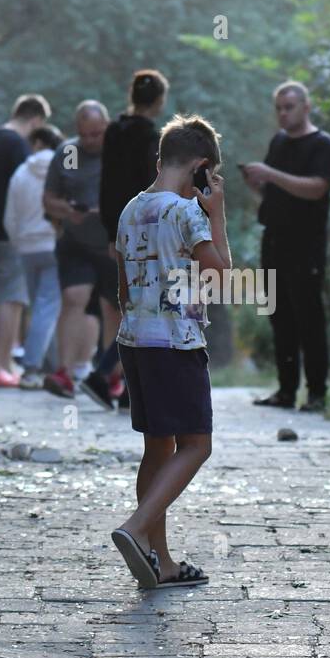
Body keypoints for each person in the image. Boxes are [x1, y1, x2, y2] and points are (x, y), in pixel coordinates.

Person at [109, 114, 230, 590]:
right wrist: (217, 213)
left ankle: (161, 562)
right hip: (175, 342)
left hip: (134, 340)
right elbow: (221, 278)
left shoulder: (129, 210)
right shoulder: (187, 214)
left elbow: (122, 288)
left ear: (161, 158)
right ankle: (137, 528)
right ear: (202, 167)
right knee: (197, 444)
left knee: (157, 448)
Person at [242, 80, 330, 412]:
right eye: (279, 108)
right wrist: (258, 183)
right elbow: (271, 193)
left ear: (306, 107)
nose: (283, 114)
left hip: (306, 242)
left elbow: (316, 188)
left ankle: (316, 393)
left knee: (309, 316)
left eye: (289, 107)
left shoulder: (323, 144)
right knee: (278, 315)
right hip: (274, 238)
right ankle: (285, 390)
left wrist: (271, 173)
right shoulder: (278, 142)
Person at [83, 69, 170, 410]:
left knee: (134, 309)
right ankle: (106, 375)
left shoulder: (115, 132)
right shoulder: (151, 138)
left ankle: (127, 385)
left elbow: (107, 185)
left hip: (118, 229)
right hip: (144, 232)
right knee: (142, 312)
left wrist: (110, 230)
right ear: (160, 100)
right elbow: (151, 186)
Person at [0, 93, 51, 387]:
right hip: (10, 235)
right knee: (12, 297)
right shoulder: (17, 146)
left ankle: (2, 364)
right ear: (35, 120)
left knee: (6, 295)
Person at [41, 101, 118, 398]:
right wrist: (66, 210)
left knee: (114, 308)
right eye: (84, 135)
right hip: (76, 241)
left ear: (107, 128)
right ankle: (65, 371)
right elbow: (48, 199)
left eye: (96, 134)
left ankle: (112, 374)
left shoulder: (119, 154)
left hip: (113, 244)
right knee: (74, 297)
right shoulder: (68, 153)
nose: (90, 141)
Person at [4, 124, 65, 389]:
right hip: (54, 245)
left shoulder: (20, 173)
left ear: (38, 143)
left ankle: (48, 366)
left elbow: (10, 215)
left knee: (40, 307)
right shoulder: (63, 170)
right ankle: (32, 368)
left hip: (27, 248)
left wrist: (18, 241)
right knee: (47, 307)